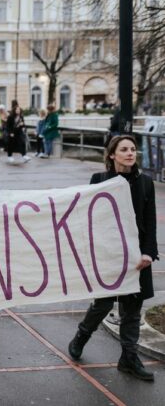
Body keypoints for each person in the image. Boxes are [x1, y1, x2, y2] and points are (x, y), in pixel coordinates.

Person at [68, 135, 158, 382]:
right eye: (125, 149)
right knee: (104, 303)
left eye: (133, 149)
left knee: (132, 309)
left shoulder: (146, 183)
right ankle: (81, 336)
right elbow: (87, 217)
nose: (131, 153)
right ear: (111, 155)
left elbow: (150, 223)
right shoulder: (99, 181)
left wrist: (149, 253)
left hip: (137, 257)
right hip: (108, 256)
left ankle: (129, 359)